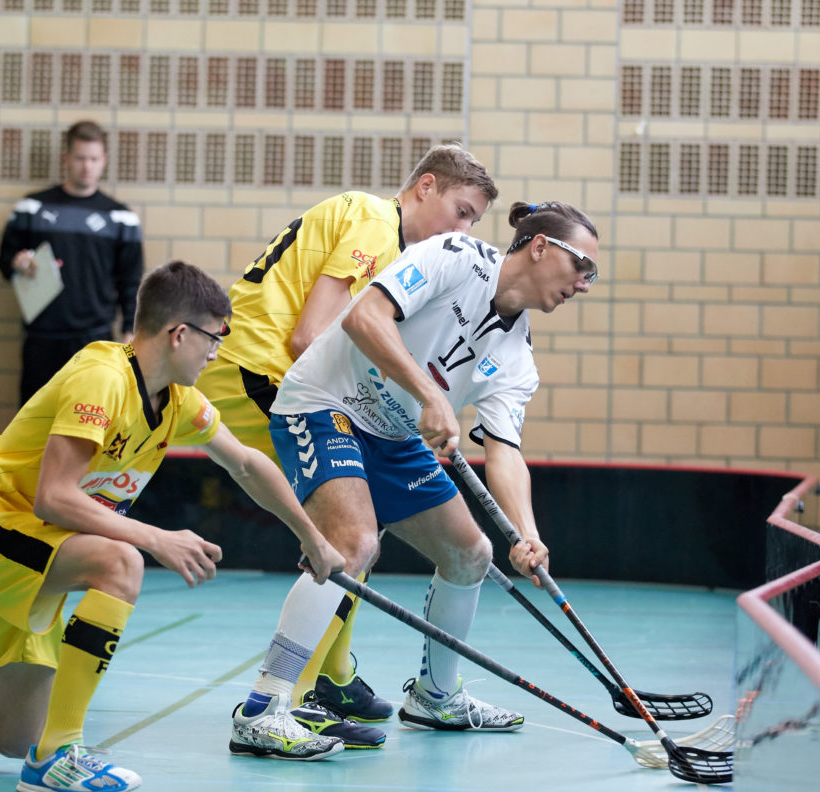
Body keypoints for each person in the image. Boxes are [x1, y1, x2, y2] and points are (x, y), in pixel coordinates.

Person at [0, 261, 345, 792]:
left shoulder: (178, 402)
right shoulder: (102, 379)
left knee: (12, 735)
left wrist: (311, 535)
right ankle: (57, 757)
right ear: (179, 334)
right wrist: (155, 538)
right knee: (119, 561)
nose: (217, 352)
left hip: (41, 551)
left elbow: (245, 463)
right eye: (214, 338)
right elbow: (54, 498)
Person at [227, 201, 600, 760]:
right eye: (583, 268)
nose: (585, 285)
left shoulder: (518, 357)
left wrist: (525, 533)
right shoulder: (453, 256)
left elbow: (503, 452)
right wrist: (430, 398)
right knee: (353, 545)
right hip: (327, 403)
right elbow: (363, 318)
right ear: (541, 246)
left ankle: (435, 696)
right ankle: (263, 706)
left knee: (471, 553)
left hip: (396, 435)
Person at [195, 144, 498, 745]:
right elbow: (311, 333)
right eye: (461, 212)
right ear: (425, 187)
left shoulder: (395, 243)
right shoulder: (374, 224)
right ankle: (297, 694)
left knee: (360, 526)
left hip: (278, 370)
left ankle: (330, 676)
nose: (463, 232)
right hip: (261, 371)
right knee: (347, 530)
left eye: (475, 223)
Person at [0, 120, 144, 405]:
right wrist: (18, 261)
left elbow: (131, 280)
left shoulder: (121, 218)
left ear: (104, 161)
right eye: (80, 158)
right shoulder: (32, 208)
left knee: (88, 419)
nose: (86, 167)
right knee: (34, 422)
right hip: (42, 336)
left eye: (93, 159)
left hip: (95, 338)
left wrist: (130, 329)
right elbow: (4, 259)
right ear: (66, 158)